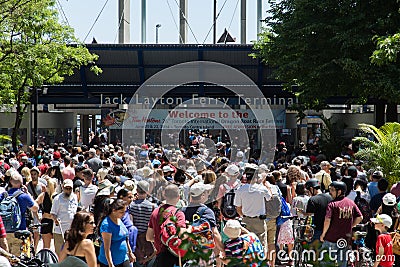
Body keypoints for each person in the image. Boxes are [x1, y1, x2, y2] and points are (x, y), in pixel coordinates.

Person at [320, 181, 363, 267]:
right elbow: (360, 217)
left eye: (332, 190)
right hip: (345, 240)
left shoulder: (332, 204)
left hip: (331, 238)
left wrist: (323, 234)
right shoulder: (351, 203)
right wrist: (351, 226)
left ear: (339, 192)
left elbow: (327, 220)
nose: (330, 192)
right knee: (342, 263)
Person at [146, 184, 187, 267]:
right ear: (179, 197)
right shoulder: (178, 214)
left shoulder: (155, 212)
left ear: (164, 195)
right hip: (174, 256)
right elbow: (183, 235)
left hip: (160, 257)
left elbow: (149, 237)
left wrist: (161, 239)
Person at [1, 172, 39, 255]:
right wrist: (28, 193)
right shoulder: (23, 196)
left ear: (10, 182)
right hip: (18, 231)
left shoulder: (3, 196)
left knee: (5, 258)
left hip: (4, 231)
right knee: (16, 259)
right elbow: (35, 208)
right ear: (22, 183)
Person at [98, 199, 136, 267]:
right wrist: (110, 264)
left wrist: (130, 253)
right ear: (113, 211)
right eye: (121, 212)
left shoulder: (119, 220)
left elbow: (125, 238)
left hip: (123, 258)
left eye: (124, 212)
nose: (124, 214)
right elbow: (107, 248)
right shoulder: (107, 225)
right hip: (110, 261)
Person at [129, 180, 157, 267]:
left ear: (136, 190)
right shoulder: (153, 206)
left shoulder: (131, 206)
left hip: (136, 240)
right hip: (149, 239)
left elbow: (131, 224)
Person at [51, 179, 79, 256]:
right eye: (66, 188)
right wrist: (55, 220)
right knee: (60, 253)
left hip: (71, 230)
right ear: (63, 188)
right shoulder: (57, 199)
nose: (68, 190)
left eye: (70, 188)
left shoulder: (75, 197)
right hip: (59, 230)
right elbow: (53, 214)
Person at [35, 177, 56, 249]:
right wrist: (38, 216)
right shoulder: (44, 195)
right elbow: (35, 204)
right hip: (48, 221)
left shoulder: (55, 196)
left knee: (47, 247)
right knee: (48, 247)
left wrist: (38, 216)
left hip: (50, 221)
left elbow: (34, 205)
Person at [117, 188, 138, 261]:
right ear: (121, 197)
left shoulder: (128, 208)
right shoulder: (118, 210)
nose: (132, 199)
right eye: (129, 197)